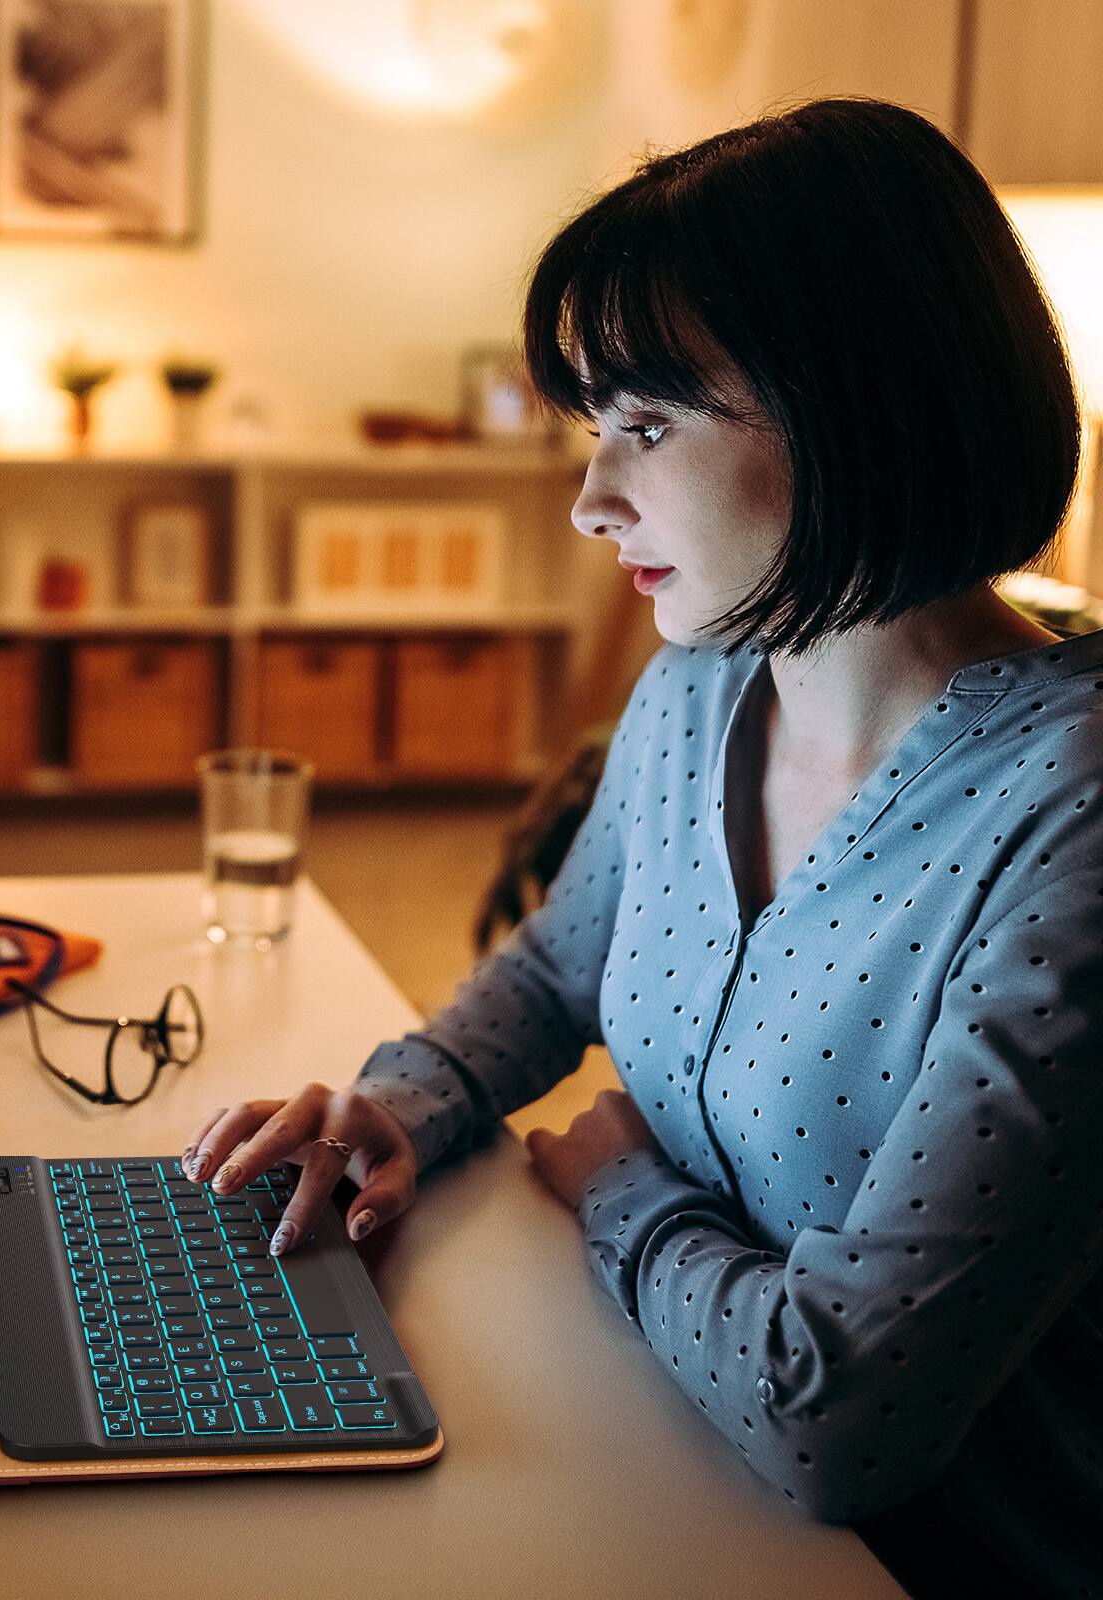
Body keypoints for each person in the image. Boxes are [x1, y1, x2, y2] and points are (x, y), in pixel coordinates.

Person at [180, 99, 1103, 1593]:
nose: (591, 500)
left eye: (648, 427)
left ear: (853, 400)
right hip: (657, 1440)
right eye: (594, 428)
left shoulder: (1070, 818)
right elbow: (564, 960)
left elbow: (840, 1420)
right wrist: (403, 1105)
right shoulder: (699, 687)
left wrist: (619, 1185)